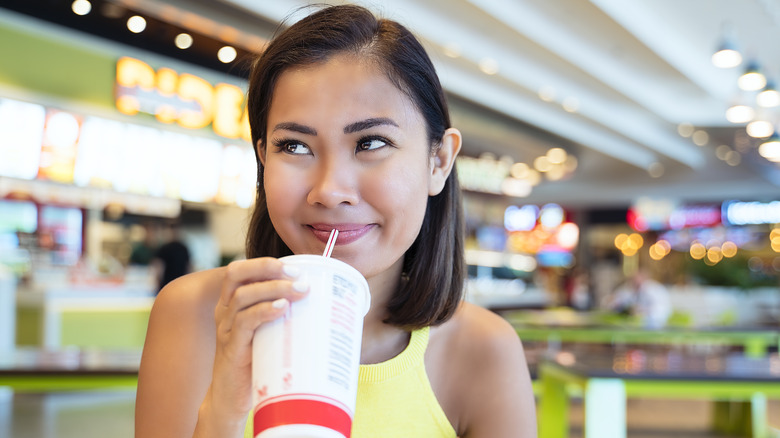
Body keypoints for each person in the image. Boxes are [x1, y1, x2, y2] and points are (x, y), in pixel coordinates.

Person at [134, 5, 536, 438]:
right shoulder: (195, 314)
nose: (328, 190)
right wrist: (223, 414)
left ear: (438, 161)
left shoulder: (483, 350)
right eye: (294, 146)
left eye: (372, 142)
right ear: (263, 159)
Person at [606, 268, 672, 329]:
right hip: (631, 324)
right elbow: (616, 301)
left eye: (638, 279)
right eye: (634, 279)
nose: (636, 281)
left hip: (653, 324)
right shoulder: (628, 288)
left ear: (645, 278)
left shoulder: (655, 289)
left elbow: (661, 309)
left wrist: (642, 310)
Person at [151, 222, 191, 293]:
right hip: (176, 284)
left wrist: (157, 285)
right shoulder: (165, 248)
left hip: (170, 285)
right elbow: (188, 268)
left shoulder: (182, 248)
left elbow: (158, 268)